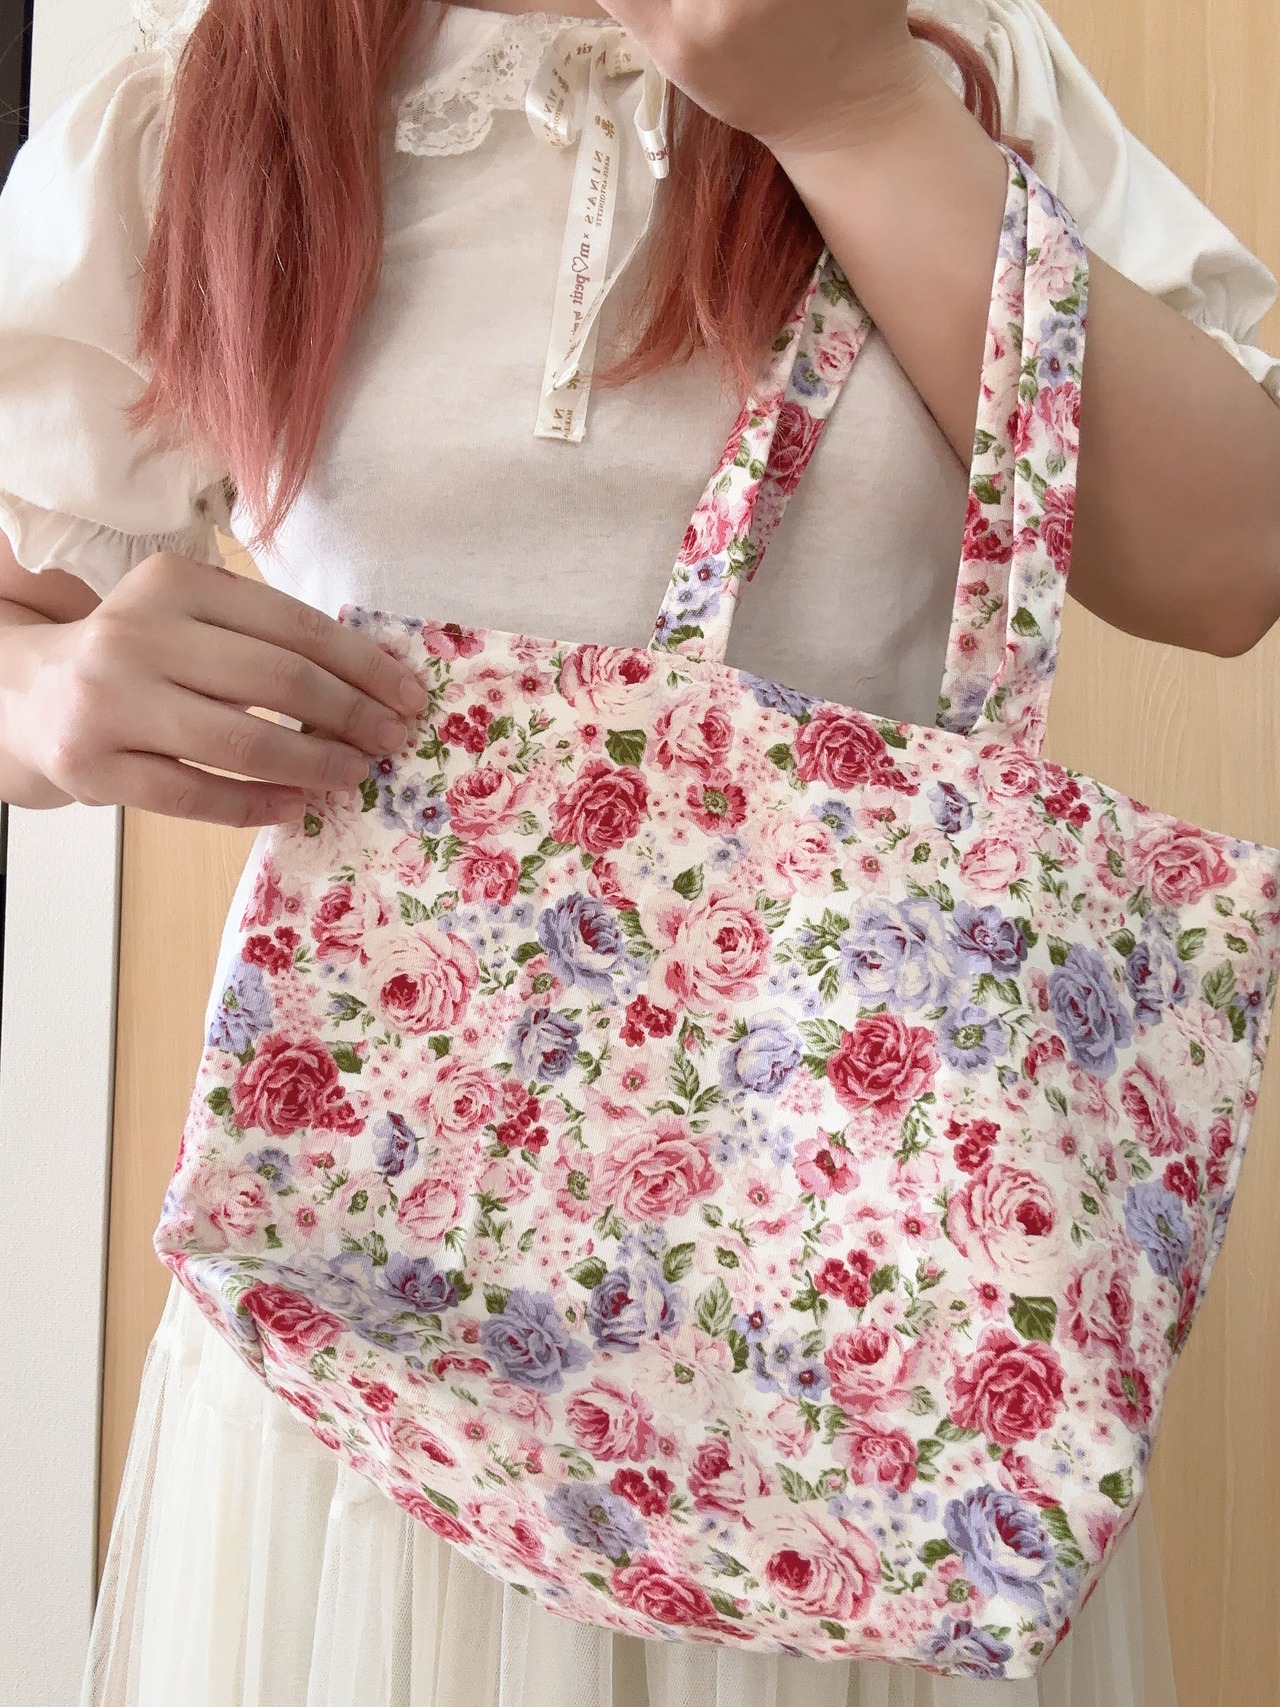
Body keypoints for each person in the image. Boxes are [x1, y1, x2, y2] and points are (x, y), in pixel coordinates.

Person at [1, 1, 1277, 1702]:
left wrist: (854, 114)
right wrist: (41, 692)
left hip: (863, 1395)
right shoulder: (217, 92)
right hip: (368, 1337)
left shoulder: (937, 45)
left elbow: (1229, 560)